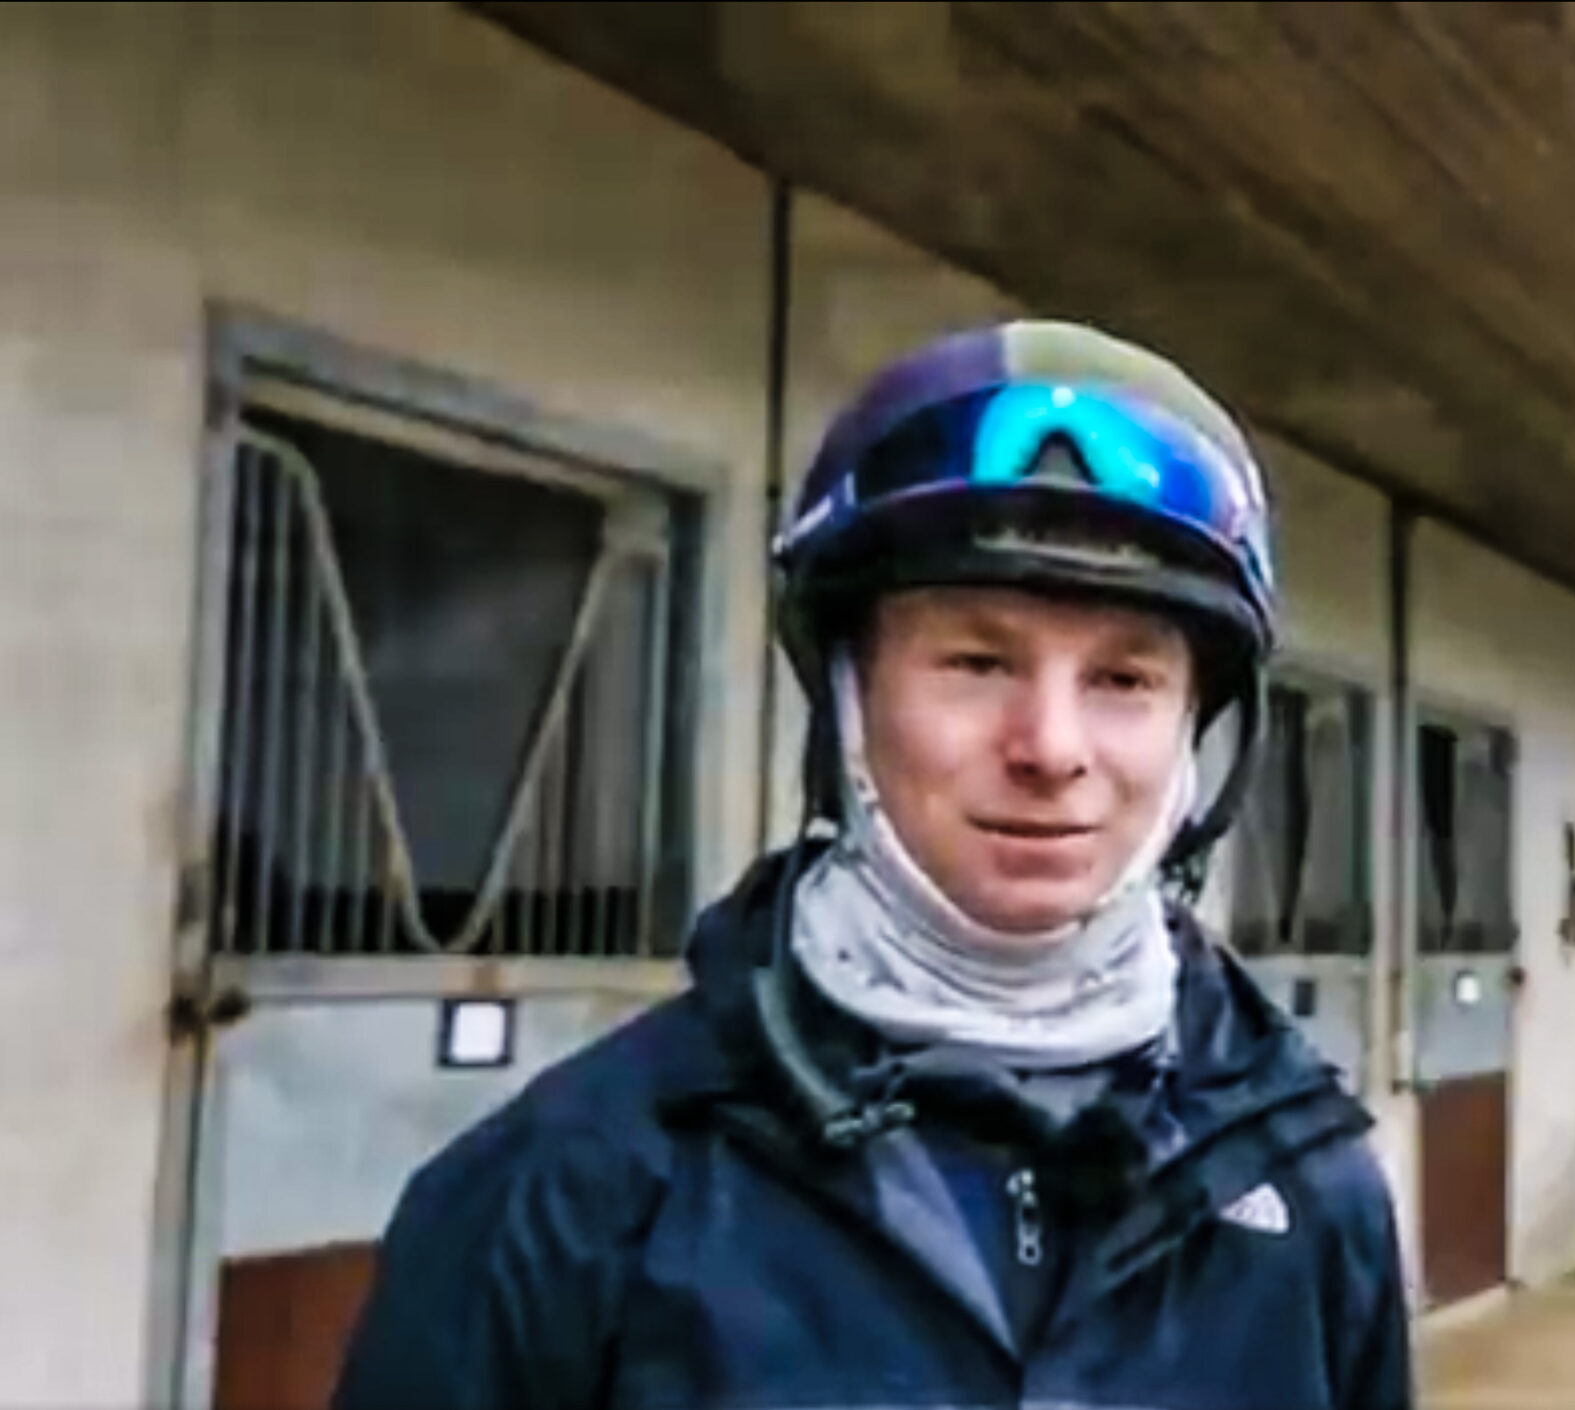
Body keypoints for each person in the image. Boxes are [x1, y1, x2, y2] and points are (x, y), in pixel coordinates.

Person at [329, 320, 1415, 1410]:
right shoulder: (563, 1193)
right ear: (849, 700)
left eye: (1124, 680)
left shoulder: (1310, 1194)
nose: (1051, 748)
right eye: (976, 662)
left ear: (1196, 731)